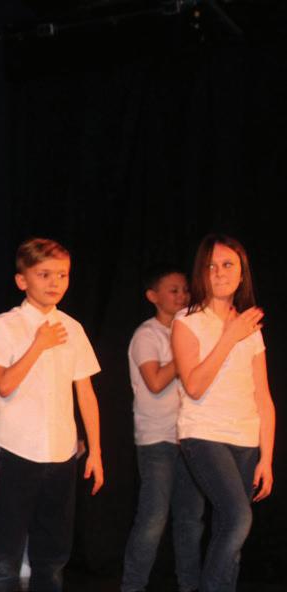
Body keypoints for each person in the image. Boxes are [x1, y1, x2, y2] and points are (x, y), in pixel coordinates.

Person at [0, 238, 103, 592]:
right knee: (7, 552)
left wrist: (95, 451)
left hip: (63, 452)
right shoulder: (7, 324)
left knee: (53, 554)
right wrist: (38, 344)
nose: (54, 282)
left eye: (62, 275)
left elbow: (85, 392)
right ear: (23, 280)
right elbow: (4, 385)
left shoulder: (73, 327)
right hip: (21, 450)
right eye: (44, 274)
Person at [172, 234, 274, 592]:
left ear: (242, 272)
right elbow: (194, 386)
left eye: (228, 265)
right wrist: (230, 336)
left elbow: (263, 397)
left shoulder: (250, 328)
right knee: (237, 517)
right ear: (201, 273)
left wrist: (267, 458)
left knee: (231, 536)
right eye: (211, 266)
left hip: (245, 437)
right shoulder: (187, 321)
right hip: (203, 433)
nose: (219, 273)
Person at [120, 266, 203, 592]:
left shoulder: (192, 331)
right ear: (153, 296)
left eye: (185, 290)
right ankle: (132, 586)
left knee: (191, 519)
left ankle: (189, 585)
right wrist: (183, 355)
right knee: (153, 517)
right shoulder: (147, 335)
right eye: (174, 290)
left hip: (190, 436)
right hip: (157, 438)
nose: (182, 296)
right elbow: (154, 381)